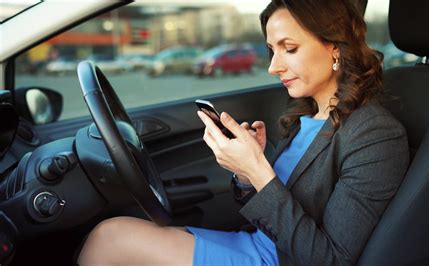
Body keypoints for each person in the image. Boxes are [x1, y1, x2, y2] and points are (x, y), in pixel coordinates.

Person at [77, 0, 409, 265]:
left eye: (289, 48)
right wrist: (246, 175)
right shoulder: (306, 116)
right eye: (271, 50)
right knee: (112, 234)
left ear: (335, 48)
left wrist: (256, 169)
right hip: (253, 242)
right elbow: (269, 208)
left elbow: (329, 259)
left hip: (278, 260)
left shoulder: (375, 135)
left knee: (111, 239)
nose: (273, 66)